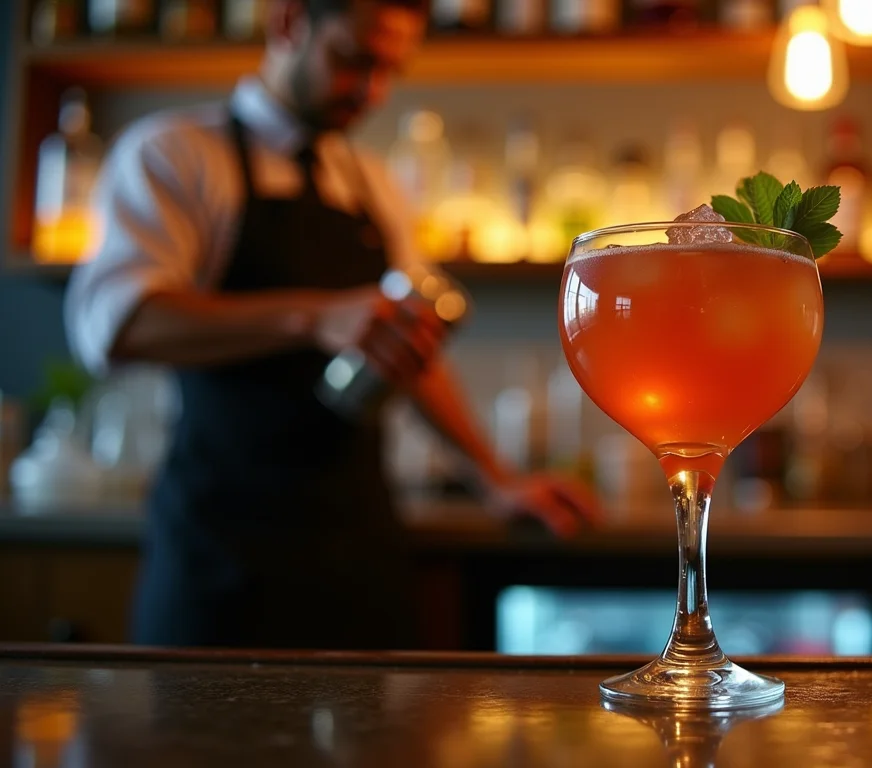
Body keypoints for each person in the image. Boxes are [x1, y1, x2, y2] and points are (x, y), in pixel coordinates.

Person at [64, 0, 598, 650]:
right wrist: (313, 316)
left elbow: (409, 349)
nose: (371, 91)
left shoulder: (370, 182)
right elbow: (115, 325)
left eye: (389, 71)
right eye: (353, 61)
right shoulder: (176, 155)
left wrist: (495, 479)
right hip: (220, 556)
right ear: (290, 23)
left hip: (360, 550)